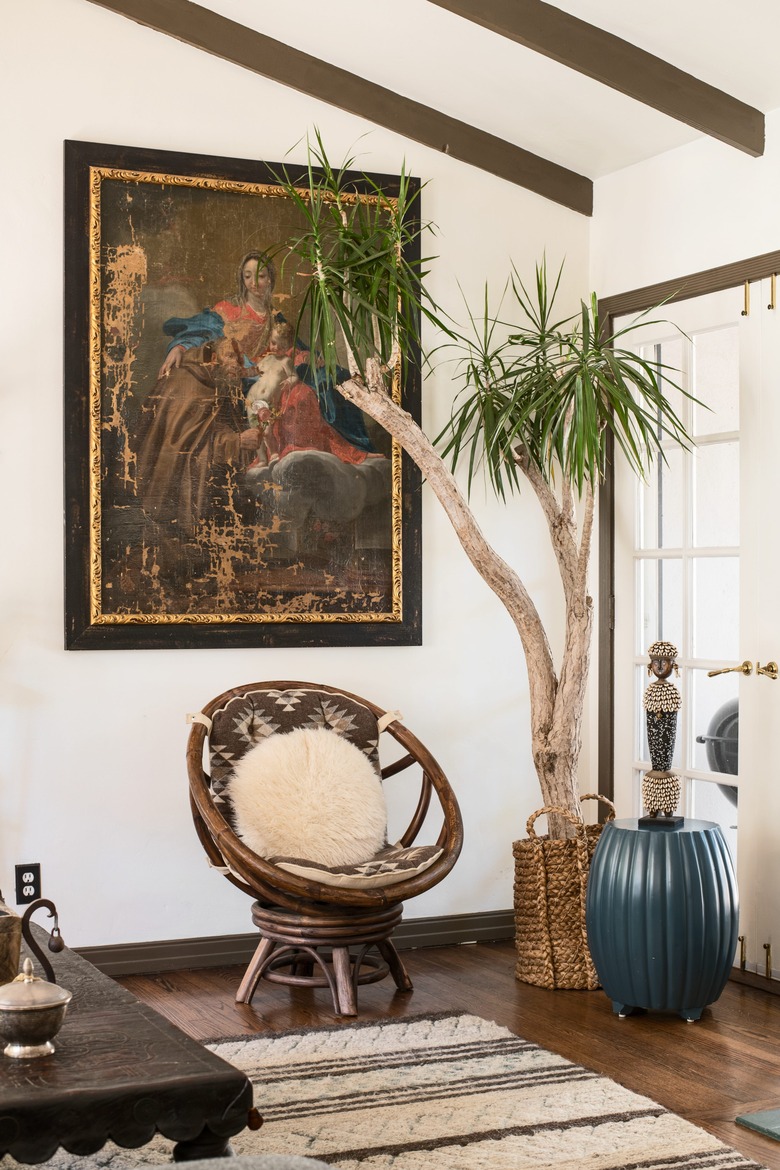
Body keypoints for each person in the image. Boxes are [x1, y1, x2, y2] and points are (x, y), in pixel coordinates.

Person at [135, 251, 378, 533]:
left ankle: (350, 444)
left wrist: (310, 357)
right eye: (248, 276)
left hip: (270, 373)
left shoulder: (276, 316)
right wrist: (178, 348)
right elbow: (201, 333)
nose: (254, 283)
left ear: (270, 280)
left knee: (333, 377)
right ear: (242, 279)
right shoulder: (228, 310)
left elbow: (291, 348)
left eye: (261, 276)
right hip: (242, 379)